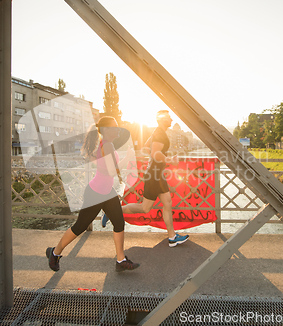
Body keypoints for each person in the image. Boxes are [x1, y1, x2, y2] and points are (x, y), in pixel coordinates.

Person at [46, 116, 140, 272]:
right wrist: (128, 158)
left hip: (106, 192)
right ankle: (54, 253)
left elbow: (104, 167)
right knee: (80, 227)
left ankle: (120, 260)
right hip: (96, 193)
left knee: (119, 223)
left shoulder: (106, 144)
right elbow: (112, 171)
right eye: (115, 127)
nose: (118, 129)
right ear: (107, 130)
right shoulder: (107, 145)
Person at [103, 110, 189, 247]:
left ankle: (172, 236)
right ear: (162, 120)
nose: (171, 120)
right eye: (168, 118)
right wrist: (169, 160)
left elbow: (147, 147)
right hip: (155, 176)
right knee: (145, 208)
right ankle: (113, 211)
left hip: (156, 174)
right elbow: (155, 153)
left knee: (166, 203)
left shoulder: (157, 132)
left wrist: (156, 160)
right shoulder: (159, 133)